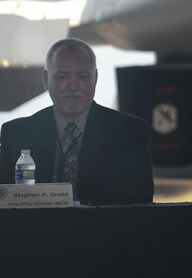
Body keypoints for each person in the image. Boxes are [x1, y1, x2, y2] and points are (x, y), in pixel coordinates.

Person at [0, 38, 154, 204]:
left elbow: (140, 205)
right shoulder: (17, 134)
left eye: (82, 76)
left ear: (95, 78)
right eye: (62, 76)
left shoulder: (129, 133)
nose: (73, 86)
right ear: (46, 79)